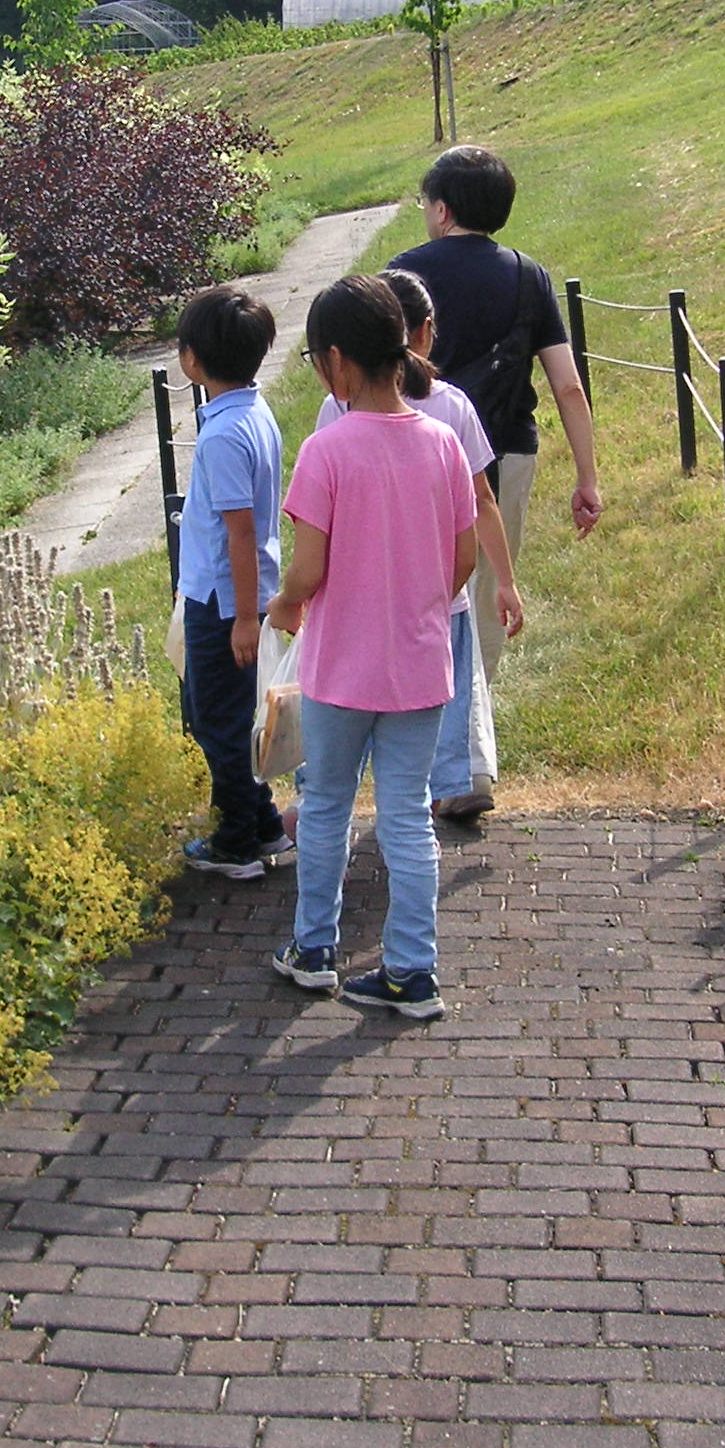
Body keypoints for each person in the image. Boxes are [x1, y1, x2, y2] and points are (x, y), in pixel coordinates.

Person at [268, 276, 478, 1020]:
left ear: (335, 362)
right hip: (420, 664)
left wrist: (286, 602)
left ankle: (314, 949)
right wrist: (416, 599)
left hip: (340, 669)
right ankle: (412, 970)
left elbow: (309, 567)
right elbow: (464, 559)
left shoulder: (326, 451)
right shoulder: (443, 442)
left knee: (324, 804)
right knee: (407, 815)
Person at [389, 145, 603, 700]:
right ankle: (473, 738)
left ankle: (424, 714)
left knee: (421, 587)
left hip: (416, 451)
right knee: (488, 597)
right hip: (506, 451)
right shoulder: (528, 275)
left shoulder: (403, 277)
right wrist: (588, 478)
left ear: (441, 210)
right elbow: (568, 385)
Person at [313, 268, 525, 824]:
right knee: (439, 704)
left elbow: (320, 523)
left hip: (360, 607)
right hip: (439, 603)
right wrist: (500, 581)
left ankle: (336, 796)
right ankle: (445, 790)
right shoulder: (451, 409)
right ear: (422, 334)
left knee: (351, 709)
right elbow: (483, 503)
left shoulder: (337, 411)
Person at [172, 286, 293, 881]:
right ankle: (265, 823)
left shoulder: (221, 435)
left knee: (213, 717)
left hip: (223, 601)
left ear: (192, 359)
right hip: (241, 594)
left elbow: (238, 531)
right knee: (230, 714)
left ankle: (236, 841)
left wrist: (244, 617)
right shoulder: (254, 413)